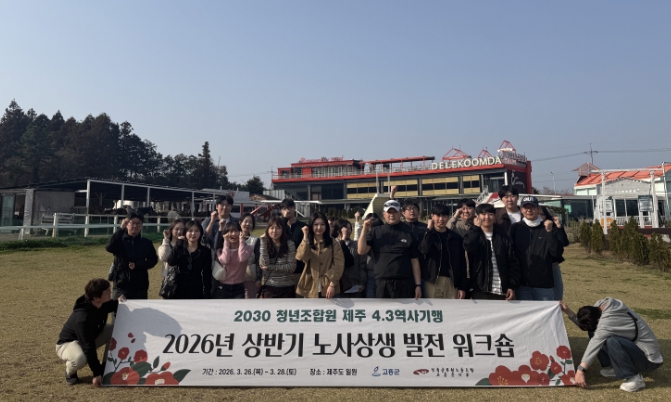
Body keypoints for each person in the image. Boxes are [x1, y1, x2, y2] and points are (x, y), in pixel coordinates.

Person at [560, 298, 663, 392]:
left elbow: (594, 343)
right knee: (594, 332)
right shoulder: (601, 308)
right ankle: (611, 367)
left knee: (612, 341)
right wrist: (568, 312)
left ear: (598, 320)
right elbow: (591, 328)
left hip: (649, 360)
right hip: (637, 350)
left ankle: (634, 378)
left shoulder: (608, 322)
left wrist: (580, 370)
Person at [56, 278, 124, 386]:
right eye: (107, 291)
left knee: (115, 329)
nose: (110, 292)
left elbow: (110, 305)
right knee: (80, 359)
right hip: (68, 343)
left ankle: (106, 367)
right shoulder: (83, 319)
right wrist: (96, 374)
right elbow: (88, 347)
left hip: (89, 337)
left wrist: (119, 302)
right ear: (96, 297)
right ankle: (70, 372)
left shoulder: (99, 303)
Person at [358, 200, 422, 299]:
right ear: (384, 214)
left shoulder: (409, 232)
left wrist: (418, 285)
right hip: (382, 283)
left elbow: (414, 260)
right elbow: (361, 251)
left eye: (395, 212)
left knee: (405, 309)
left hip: (404, 282)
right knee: (383, 308)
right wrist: (364, 229)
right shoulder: (375, 232)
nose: (392, 215)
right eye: (389, 212)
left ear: (400, 213)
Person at [509, 196, 564, 301]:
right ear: (521, 209)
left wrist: (550, 232)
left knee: (546, 312)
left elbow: (557, 253)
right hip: (522, 285)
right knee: (526, 312)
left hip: (544, 284)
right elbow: (509, 252)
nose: (529, 210)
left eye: (532, 207)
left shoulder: (548, 228)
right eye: (526, 207)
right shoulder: (515, 228)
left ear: (538, 209)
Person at [462, 203, 520, 300]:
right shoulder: (473, 234)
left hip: (502, 291)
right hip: (479, 289)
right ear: (477, 216)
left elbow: (512, 263)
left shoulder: (504, 238)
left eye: (490, 214)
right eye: (483, 214)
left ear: (495, 216)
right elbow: (469, 247)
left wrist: (511, 285)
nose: (487, 217)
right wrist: (475, 228)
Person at [418, 204, 468, 299]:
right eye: (438, 215)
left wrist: (462, 286)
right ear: (432, 216)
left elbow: (462, 263)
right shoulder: (427, 235)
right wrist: (428, 230)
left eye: (444, 216)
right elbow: (424, 250)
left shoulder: (455, 238)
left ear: (448, 217)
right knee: (434, 308)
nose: (441, 219)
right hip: (432, 281)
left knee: (452, 308)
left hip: (452, 281)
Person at [106, 211, 158, 300]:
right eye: (132, 223)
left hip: (140, 286)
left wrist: (138, 265)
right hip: (121, 285)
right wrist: (121, 229)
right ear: (126, 224)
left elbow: (153, 260)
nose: (135, 226)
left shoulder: (146, 243)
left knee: (141, 309)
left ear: (141, 225)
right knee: (118, 308)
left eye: (138, 223)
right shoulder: (119, 241)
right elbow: (109, 247)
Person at [296, 212, 344, 298]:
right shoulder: (307, 242)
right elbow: (301, 257)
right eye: (316, 224)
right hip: (310, 286)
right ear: (311, 225)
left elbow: (339, 265)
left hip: (329, 286)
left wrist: (332, 284)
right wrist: (305, 236)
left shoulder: (333, 243)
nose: (319, 227)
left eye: (322, 224)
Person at [167, 220, 212, 299]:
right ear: (185, 233)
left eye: (196, 231)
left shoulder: (205, 251)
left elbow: (207, 274)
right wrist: (177, 245)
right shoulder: (179, 248)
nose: (193, 233)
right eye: (190, 231)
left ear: (200, 233)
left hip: (197, 289)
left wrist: (207, 292)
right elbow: (171, 262)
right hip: (178, 288)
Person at [258, 216, 297, 298]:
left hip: (287, 287)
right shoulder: (264, 244)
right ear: (267, 229)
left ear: (283, 230)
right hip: (269, 287)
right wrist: (263, 241)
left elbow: (291, 267)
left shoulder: (290, 244)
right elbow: (264, 264)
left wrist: (270, 267)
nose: (274, 231)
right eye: (271, 228)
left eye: (278, 228)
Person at [212, 221, 254, 299]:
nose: (234, 234)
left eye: (236, 231)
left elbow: (242, 258)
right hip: (222, 287)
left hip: (239, 287)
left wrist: (241, 240)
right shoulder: (220, 250)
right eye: (230, 231)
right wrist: (226, 242)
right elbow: (225, 260)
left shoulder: (248, 248)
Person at [539, 207, 569, 301]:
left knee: (557, 296)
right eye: (537, 214)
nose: (539, 216)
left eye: (542, 214)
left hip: (553, 266)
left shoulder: (552, 228)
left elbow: (564, 242)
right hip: (539, 266)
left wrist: (558, 225)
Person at [333, 218, 367, 297]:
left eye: (350, 228)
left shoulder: (356, 245)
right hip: (338, 285)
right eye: (346, 229)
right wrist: (343, 239)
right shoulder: (333, 244)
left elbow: (362, 264)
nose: (348, 231)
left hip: (355, 284)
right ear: (338, 230)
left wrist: (362, 282)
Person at [157, 219, 185, 298]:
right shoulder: (166, 244)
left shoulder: (187, 244)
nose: (179, 231)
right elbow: (163, 257)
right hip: (169, 281)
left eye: (182, 229)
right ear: (171, 230)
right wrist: (166, 239)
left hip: (185, 281)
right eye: (176, 229)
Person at [280, 198, 307, 275]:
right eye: (284, 208)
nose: (287, 210)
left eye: (290, 207)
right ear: (281, 211)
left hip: (300, 266)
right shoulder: (280, 227)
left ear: (294, 208)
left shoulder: (303, 226)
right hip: (283, 266)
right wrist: (284, 218)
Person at [240, 213, 261, 298]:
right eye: (245, 221)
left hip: (249, 277)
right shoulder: (233, 237)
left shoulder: (255, 240)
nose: (248, 224)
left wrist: (258, 279)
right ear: (240, 223)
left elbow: (258, 260)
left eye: (250, 222)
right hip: (234, 277)